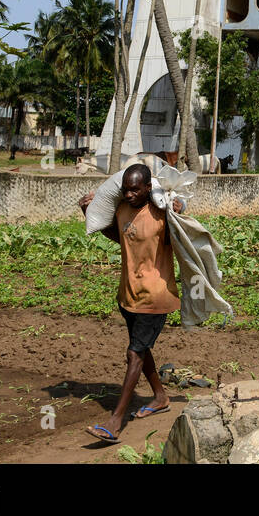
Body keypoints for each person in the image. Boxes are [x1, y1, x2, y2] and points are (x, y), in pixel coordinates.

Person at [77, 163, 183, 444]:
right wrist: (89, 212)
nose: (130, 194)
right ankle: (160, 397)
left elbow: (182, 240)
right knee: (142, 348)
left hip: (156, 295)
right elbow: (121, 235)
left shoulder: (161, 214)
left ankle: (115, 422)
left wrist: (178, 211)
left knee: (134, 354)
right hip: (129, 295)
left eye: (136, 189)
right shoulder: (124, 209)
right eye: (126, 189)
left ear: (148, 188)